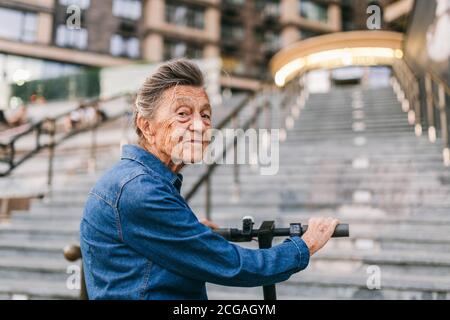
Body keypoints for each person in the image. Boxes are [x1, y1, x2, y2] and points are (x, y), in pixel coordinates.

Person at [80, 58, 339, 300]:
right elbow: (233, 266)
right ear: (147, 127)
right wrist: (304, 246)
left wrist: (190, 231)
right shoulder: (138, 190)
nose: (201, 126)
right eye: (183, 114)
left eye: (205, 115)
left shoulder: (139, 182)